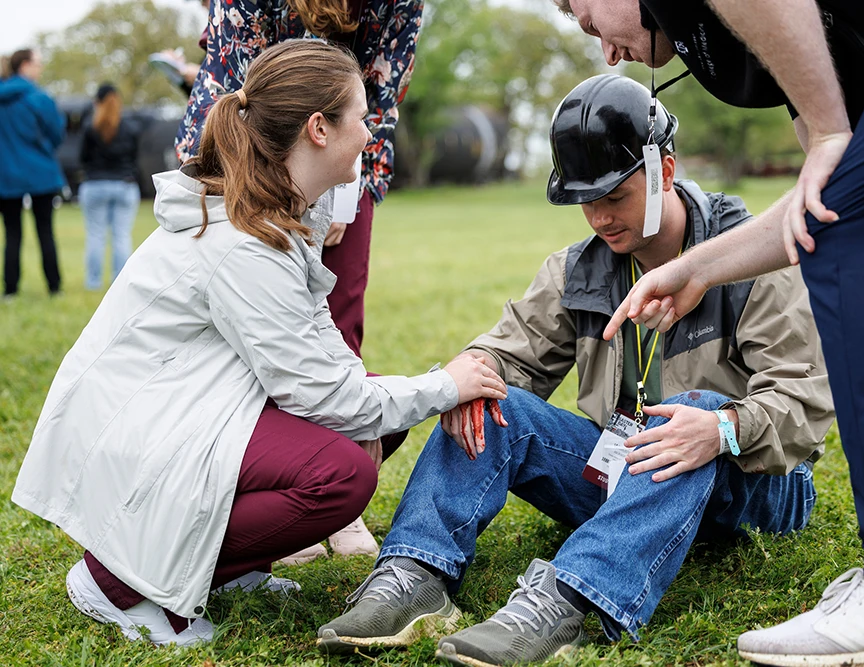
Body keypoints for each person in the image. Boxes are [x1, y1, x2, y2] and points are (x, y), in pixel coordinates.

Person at [314, 74, 834, 666]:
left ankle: (567, 601)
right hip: (626, 476)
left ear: (664, 170)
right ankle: (414, 574)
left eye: (613, 197)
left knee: (697, 411)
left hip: (755, 483)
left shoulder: (752, 255)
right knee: (489, 395)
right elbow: (504, 353)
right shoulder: (578, 269)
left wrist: (720, 430)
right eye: (585, 201)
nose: (599, 219)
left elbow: (804, 405)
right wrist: (474, 370)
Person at [10, 40, 507, 648]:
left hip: (183, 416)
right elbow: (322, 394)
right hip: (140, 441)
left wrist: (425, 389)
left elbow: (330, 365)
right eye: (360, 113)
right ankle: (114, 581)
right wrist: (442, 386)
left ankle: (233, 566)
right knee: (342, 475)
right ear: (319, 129)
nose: (371, 126)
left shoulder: (274, 214)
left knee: (379, 415)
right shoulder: (245, 242)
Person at [562, 0, 864, 665]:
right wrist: (698, 267)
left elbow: (839, 217)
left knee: (856, 249)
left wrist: (828, 129)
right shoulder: (787, 55)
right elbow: (817, 202)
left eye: (591, 20)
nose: (607, 51)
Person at [175, 0, 423, 558]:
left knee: (340, 318)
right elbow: (239, 78)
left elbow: (382, 93)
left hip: (342, 149)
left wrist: (341, 186)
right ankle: (268, 481)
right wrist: (288, 191)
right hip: (245, 153)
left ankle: (336, 504)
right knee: (249, 332)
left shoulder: (399, 3)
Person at [0, 48, 64, 300]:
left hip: (6, 177)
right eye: (38, 63)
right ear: (24, 66)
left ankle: (10, 291)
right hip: (41, 174)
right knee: (45, 231)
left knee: (12, 234)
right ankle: (54, 287)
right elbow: (57, 135)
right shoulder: (40, 98)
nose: (41, 68)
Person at [78, 83, 143, 291]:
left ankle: (93, 282)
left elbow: (83, 158)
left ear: (97, 102)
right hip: (124, 185)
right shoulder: (130, 127)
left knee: (96, 235)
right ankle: (120, 282)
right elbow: (134, 158)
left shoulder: (90, 127)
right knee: (121, 235)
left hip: (95, 184)